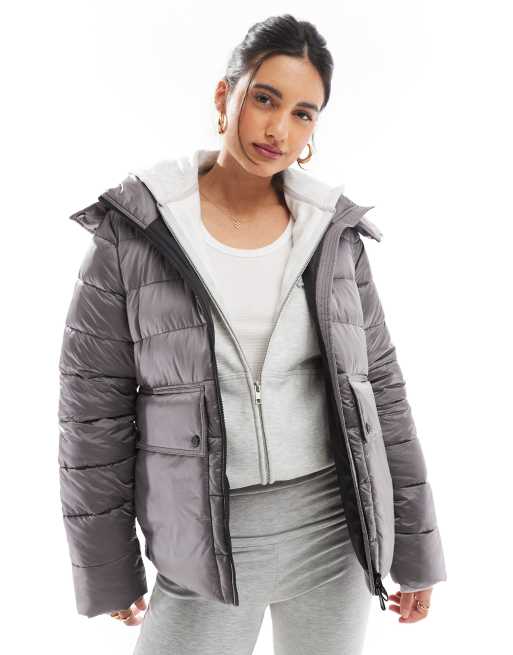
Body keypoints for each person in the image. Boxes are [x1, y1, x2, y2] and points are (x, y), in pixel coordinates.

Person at [57, 14, 447, 655]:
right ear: (225, 95)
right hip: (206, 542)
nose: (278, 130)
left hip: (335, 533)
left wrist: (414, 547)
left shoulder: (331, 233)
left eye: (303, 113)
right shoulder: (136, 232)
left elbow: (381, 390)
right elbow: (92, 412)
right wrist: (108, 568)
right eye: (265, 99)